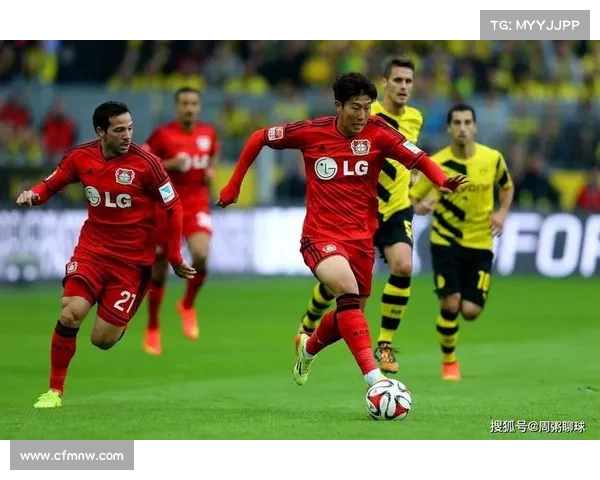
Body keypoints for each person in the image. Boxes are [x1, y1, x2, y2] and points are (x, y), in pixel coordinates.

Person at [217, 72, 467, 388]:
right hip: (320, 236)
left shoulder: (379, 132)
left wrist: (441, 180)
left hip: (361, 240)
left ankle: (307, 349)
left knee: (350, 315)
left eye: (367, 107)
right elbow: (259, 137)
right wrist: (234, 184)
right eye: (355, 107)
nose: (362, 115)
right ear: (338, 105)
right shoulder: (311, 132)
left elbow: (417, 158)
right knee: (347, 292)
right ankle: (375, 380)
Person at [15, 101, 196, 408]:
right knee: (70, 313)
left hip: (132, 263)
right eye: (119, 130)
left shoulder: (147, 164)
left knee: (102, 340)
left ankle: (121, 315)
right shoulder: (80, 156)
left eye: (130, 128)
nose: (127, 135)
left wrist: (175, 257)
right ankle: (54, 391)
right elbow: (51, 184)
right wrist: (34, 195)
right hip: (92, 251)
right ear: (101, 132)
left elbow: (173, 206)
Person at [297, 57, 424, 375]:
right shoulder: (365, 114)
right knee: (342, 287)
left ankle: (385, 343)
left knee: (403, 265)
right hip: (358, 212)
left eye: (408, 81)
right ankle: (310, 322)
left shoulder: (416, 118)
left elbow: (405, 157)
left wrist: (417, 186)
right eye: (398, 80)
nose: (404, 87)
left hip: (395, 207)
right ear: (385, 83)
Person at [409, 103, 514, 381]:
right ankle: (449, 362)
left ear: (475, 127)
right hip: (445, 240)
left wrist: (502, 213)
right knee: (450, 303)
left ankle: (453, 343)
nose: (463, 128)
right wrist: (420, 207)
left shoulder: (492, 159)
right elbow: (413, 198)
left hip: (480, 242)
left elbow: (507, 186)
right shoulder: (436, 163)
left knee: (470, 311)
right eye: (457, 123)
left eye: (468, 122)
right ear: (448, 128)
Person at [142, 87, 220, 355]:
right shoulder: (163, 135)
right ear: (176, 107)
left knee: (201, 254)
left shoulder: (208, 133)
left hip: (196, 203)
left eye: (193, 103)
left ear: (199, 107)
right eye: (184, 103)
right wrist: (171, 164)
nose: (189, 108)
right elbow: (144, 164)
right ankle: (153, 326)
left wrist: (211, 170)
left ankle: (187, 304)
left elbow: (213, 153)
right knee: (159, 269)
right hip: (165, 205)